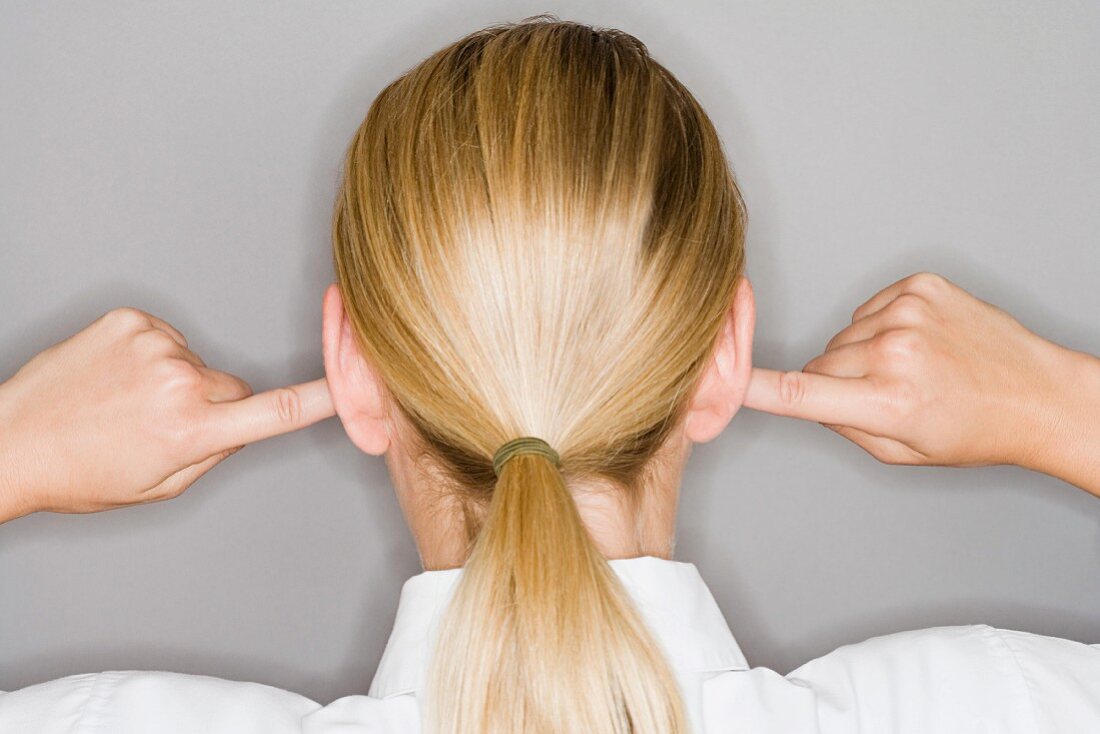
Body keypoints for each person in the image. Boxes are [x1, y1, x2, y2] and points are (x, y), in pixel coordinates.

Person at [2, 15, 1099, 734]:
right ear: (721, 356)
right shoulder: (998, 704)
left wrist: (18, 447)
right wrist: (1062, 406)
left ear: (356, 371)